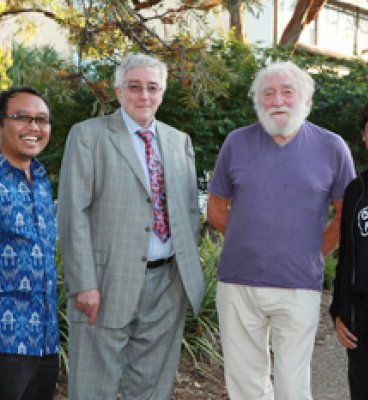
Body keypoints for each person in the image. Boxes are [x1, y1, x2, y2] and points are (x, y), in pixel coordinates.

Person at [57, 53, 205, 400]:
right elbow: (72, 213)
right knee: (95, 386)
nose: (144, 95)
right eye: (135, 87)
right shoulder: (88, 136)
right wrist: (83, 283)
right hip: (106, 283)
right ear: (119, 91)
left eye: (152, 88)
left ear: (162, 93)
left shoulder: (178, 141)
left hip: (168, 284)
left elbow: (186, 211)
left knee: (152, 387)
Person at [207, 60, 355, 400]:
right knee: (245, 382)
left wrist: (310, 250)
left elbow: (344, 216)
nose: (277, 101)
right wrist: (252, 239)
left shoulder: (333, 147)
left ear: (306, 100)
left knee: (292, 382)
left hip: (299, 283)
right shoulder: (236, 142)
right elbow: (215, 208)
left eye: (287, 92)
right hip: (238, 282)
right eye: (268, 93)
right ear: (258, 101)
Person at [0, 87, 60, 400]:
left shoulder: (42, 178)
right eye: (22, 118)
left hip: (44, 340)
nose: (35, 127)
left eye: (42, 120)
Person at [330, 103, 368, 399]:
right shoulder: (356, 190)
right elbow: (346, 257)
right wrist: (338, 311)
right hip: (362, 312)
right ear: (364, 137)